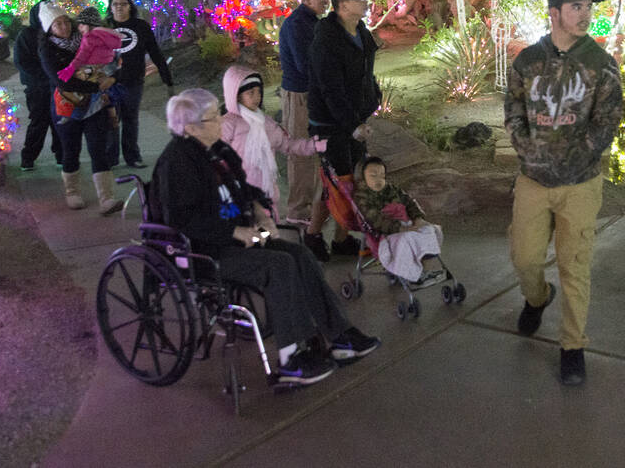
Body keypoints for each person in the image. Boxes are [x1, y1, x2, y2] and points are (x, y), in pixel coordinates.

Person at [150, 88, 380, 386]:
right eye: (212, 119)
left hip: (240, 237)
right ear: (189, 128)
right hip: (204, 251)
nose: (221, 122)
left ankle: (339, 336)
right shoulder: (177, 163)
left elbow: (246, 190)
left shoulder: (218, 150)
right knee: (278, 265)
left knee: (299, 254)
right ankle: (291, 357)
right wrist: (234, 231)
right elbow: (181, 220)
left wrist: (261, 212)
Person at [505, 0, 622, 386]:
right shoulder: (526, 61)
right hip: (534, 179)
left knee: (575, 265)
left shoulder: (601, 63)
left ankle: (573, 346)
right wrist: (528, 149)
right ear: (554, 13)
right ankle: (537, 298)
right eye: (576, 7)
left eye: (589, 6)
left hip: (580, 182)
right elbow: (514, 110)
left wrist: (580, 153)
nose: (585, 14)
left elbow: (608, 120)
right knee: (525, 258)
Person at [305, 0, 379, 261]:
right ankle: (312, 235)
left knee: (352, 179)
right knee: (336, 182)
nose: (364, 1)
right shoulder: (326, 40)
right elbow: (330, 89)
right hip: (329, 124)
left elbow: (366, 74)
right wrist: (352, 125)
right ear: (342, 5)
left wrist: (374, 98)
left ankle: (341, 238)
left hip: (354, 118)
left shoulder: (361, 31)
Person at [37, 4, 120, 212]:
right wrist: (95, 85)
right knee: (70, 149)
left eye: (66, 21)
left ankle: (106, 198)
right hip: (66, 106)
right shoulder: (47, 49)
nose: (64, 26)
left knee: (98, 149)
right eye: (58, 24)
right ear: (49, 28)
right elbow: (61, 81)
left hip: (95, 104)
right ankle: (72, 192)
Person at [220, 64, 327, 209]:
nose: (257, 97)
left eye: (258, 92)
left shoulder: (266, 123)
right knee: (247, 229)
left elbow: (287, 145)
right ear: (236, 95)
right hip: (238, 195)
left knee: (267, 228)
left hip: (266, 192)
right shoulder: (228, 124)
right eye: (250, 93)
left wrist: (313, 145)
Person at [276, 0, 331, 224]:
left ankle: (312, 207)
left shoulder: (311, 22)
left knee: (315, 149)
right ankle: (298, 210)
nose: (326, 1)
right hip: (299, 94)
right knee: (299, 152)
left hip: (311, 92)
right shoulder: (298, 24)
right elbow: (305, 63)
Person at [104, 0, 174, 168]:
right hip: (109, 82)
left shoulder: (140, 26)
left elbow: (154, 51)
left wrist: (166, 75)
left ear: (130, 6)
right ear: (110, 8)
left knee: (130, 119)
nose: (119, 7)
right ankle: (110, 158)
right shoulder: (104, 27)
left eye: (123, 4)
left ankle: (132, 156)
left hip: (133, 80)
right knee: (111, 121)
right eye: (115, 4)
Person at [354, 156, 444, 284]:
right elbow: (374, 219)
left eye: (382, 175)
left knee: (432, 230)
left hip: (407, 224)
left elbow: (409, 202)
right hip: (387, 233)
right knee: (406, 239)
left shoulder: (391, 188)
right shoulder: (362, 196)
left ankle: (425, 268)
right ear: (362, 178)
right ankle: (413, 274)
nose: (379, 179)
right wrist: (401, 228)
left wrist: (417, 218)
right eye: (373, 176)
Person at [13, 0, 62, 171]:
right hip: (37, 88)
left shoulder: (56, 33)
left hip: (56, 86)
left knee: (59, 121)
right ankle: (28, 157)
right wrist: (43, 75)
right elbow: (21, 61)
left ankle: (61, 156)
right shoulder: (27, 35)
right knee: (39, 122)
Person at [58, 6, 124, 125]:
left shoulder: (89, 37)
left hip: (91, 68)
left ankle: (75, 115)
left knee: (72, 90)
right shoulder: (106, 35)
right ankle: (113, 116)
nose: (79, 28)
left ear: (90, 25)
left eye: (82, 24)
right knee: (106, 91)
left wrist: (70, 68)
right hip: (107, 67)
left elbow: (82, 56)